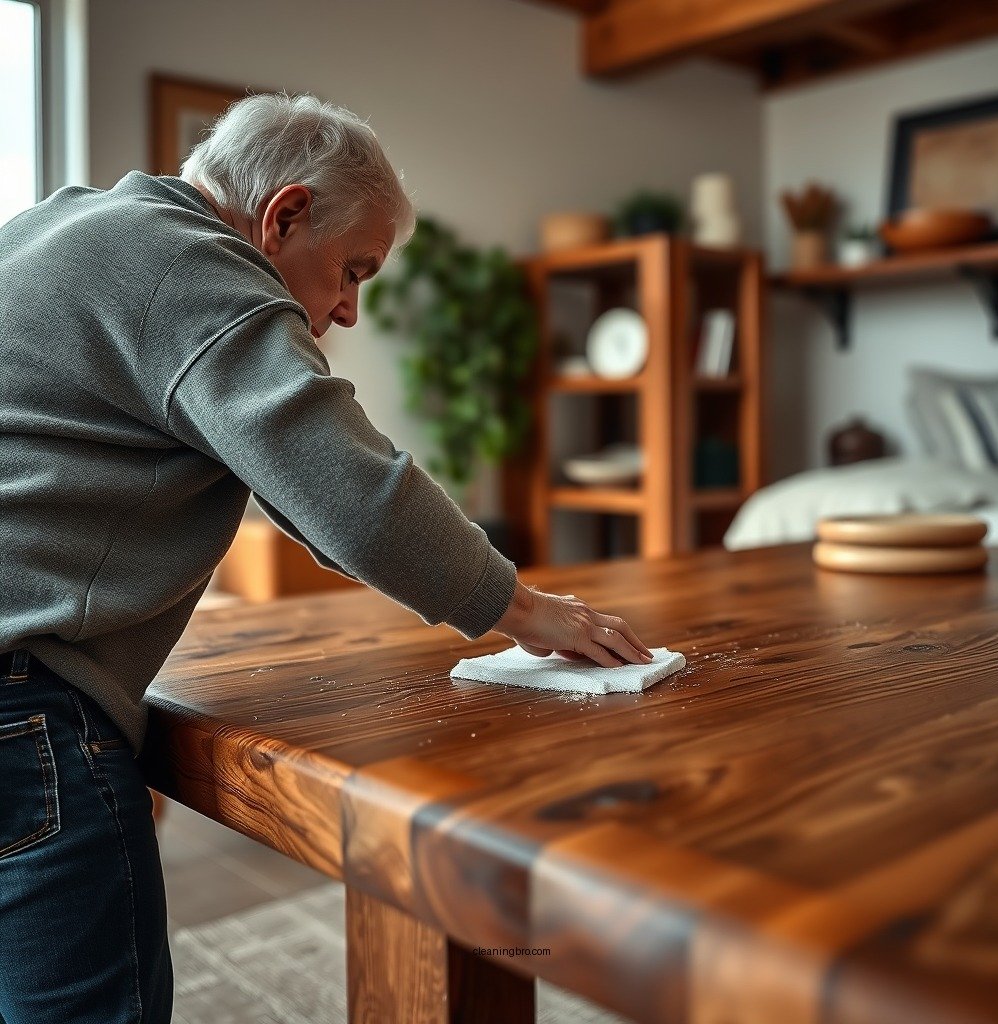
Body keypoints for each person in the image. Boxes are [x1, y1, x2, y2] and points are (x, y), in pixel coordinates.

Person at [0, 92, 654, 1022]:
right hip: (22, 711)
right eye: (354, 270)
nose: (348, 309)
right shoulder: (191, 268)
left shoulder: (58, 224)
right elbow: (354, 494)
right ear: (285, 214)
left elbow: (297, 490)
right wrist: (526, 608)